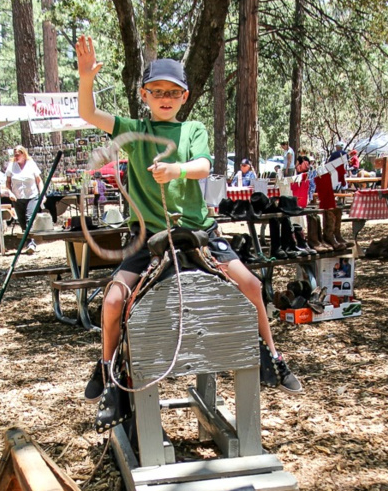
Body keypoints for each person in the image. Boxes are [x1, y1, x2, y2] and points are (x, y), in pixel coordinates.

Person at [75, 34, 302, 406]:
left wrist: (176, 169)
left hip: (198, 232)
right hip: (148, 237)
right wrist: (87, 79)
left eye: (173, 92)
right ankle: (107, 369)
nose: (165, 98)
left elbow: (204, 166)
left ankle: (271, 355)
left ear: (185, 96)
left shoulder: (192, 128)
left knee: (252, 285)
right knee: (113, 300)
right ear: (145, 94)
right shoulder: (134, 130)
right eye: (157, 91)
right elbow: (89, 114)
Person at [5, 145, 43, 254]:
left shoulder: (31, 164)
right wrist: (10, 192)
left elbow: (39, 180)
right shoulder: (11, 166)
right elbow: (7, 182)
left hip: (32, 196)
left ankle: (31, 243)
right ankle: (28, 241)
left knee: (29, 218)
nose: (16, 157)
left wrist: (42, 194)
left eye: (18, 154)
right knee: (22, 221)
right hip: (17, 197)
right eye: (15, 155)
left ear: (23, 154)